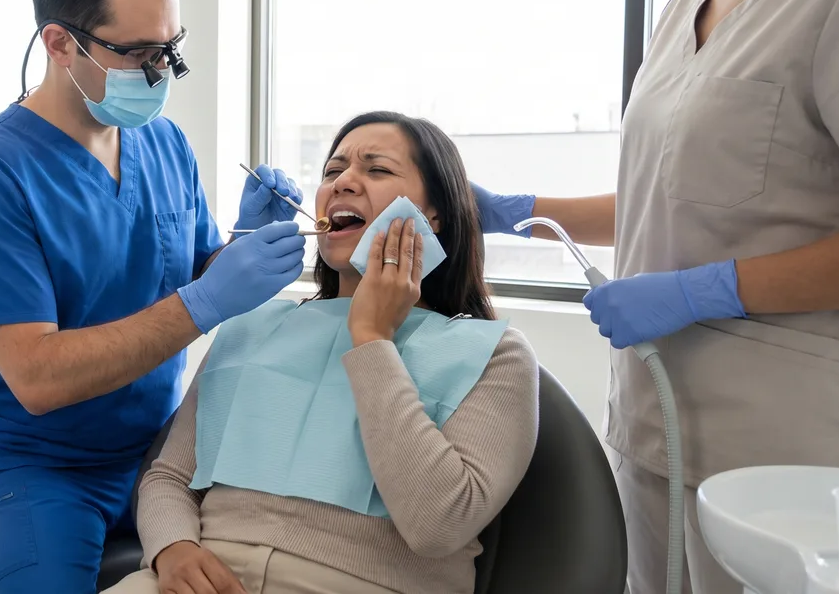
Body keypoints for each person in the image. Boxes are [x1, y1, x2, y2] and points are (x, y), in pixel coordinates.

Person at [471, 0, 839, 591]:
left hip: (785, 457)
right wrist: (520, 213)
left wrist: (710, 290)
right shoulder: (688, 4)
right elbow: (677, 190)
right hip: (656, 427)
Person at [0, 0, 310, 593]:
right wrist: (207, 300)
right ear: (59, 43)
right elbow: (38, 379)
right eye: (136, 53)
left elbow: (189, 269)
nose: (159, 72)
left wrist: (240, 245)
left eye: (170, 49)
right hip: (32, 466)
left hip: (157, 454)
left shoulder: (165, 144)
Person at [105, 112, 539, 594]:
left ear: (432, 215)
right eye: (333, 171)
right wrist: (172, 549)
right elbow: (168, 476)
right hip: (202, 576)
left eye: (376, 170)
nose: (343, 182)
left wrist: (372, 336)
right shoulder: (253, 324)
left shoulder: (496, 353)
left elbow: (438, 524)